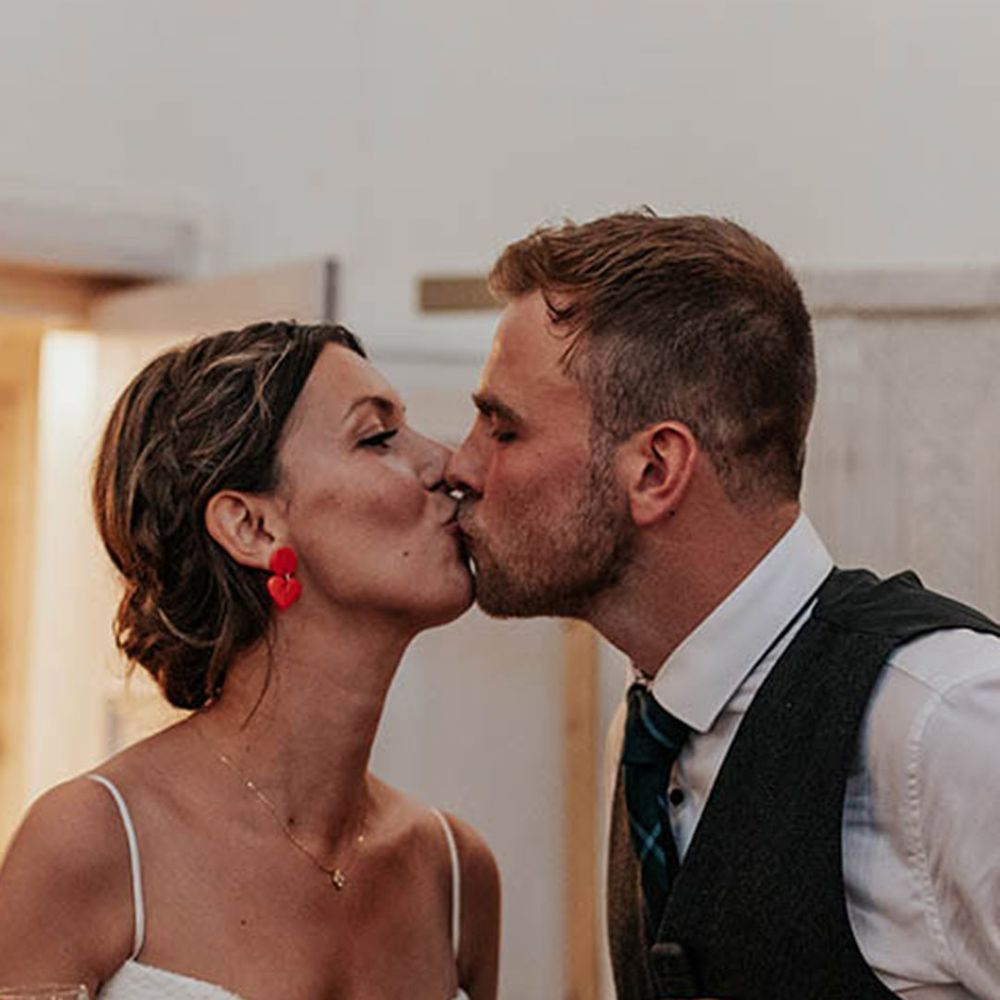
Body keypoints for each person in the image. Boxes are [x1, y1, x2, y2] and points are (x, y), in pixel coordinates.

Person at [445, 211, 1000, 999]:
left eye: (502, 428)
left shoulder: (948, 726)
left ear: (655, 469)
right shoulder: (645, 736)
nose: (460, 465)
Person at [0, 321, 499, 999]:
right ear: (252, 527)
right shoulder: (93, 843)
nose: (448, 464)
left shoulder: (455, 872)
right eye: (377, 437)